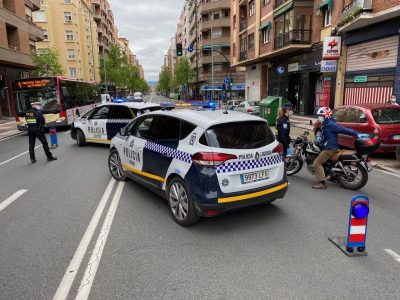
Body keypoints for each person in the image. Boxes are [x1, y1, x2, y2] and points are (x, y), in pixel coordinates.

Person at [312, 107, 363, 189]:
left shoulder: (330, 124)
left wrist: (356, 133)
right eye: (319, 115)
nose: (319, 117)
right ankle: (332, 176)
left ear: (326, 115)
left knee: (317, 163)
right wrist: (318, 140)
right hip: (329, 145)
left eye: (321, 115)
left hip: (330, 148)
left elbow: (343, 129)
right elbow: (326, 135)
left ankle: (322, 183)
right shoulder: (326, 123)